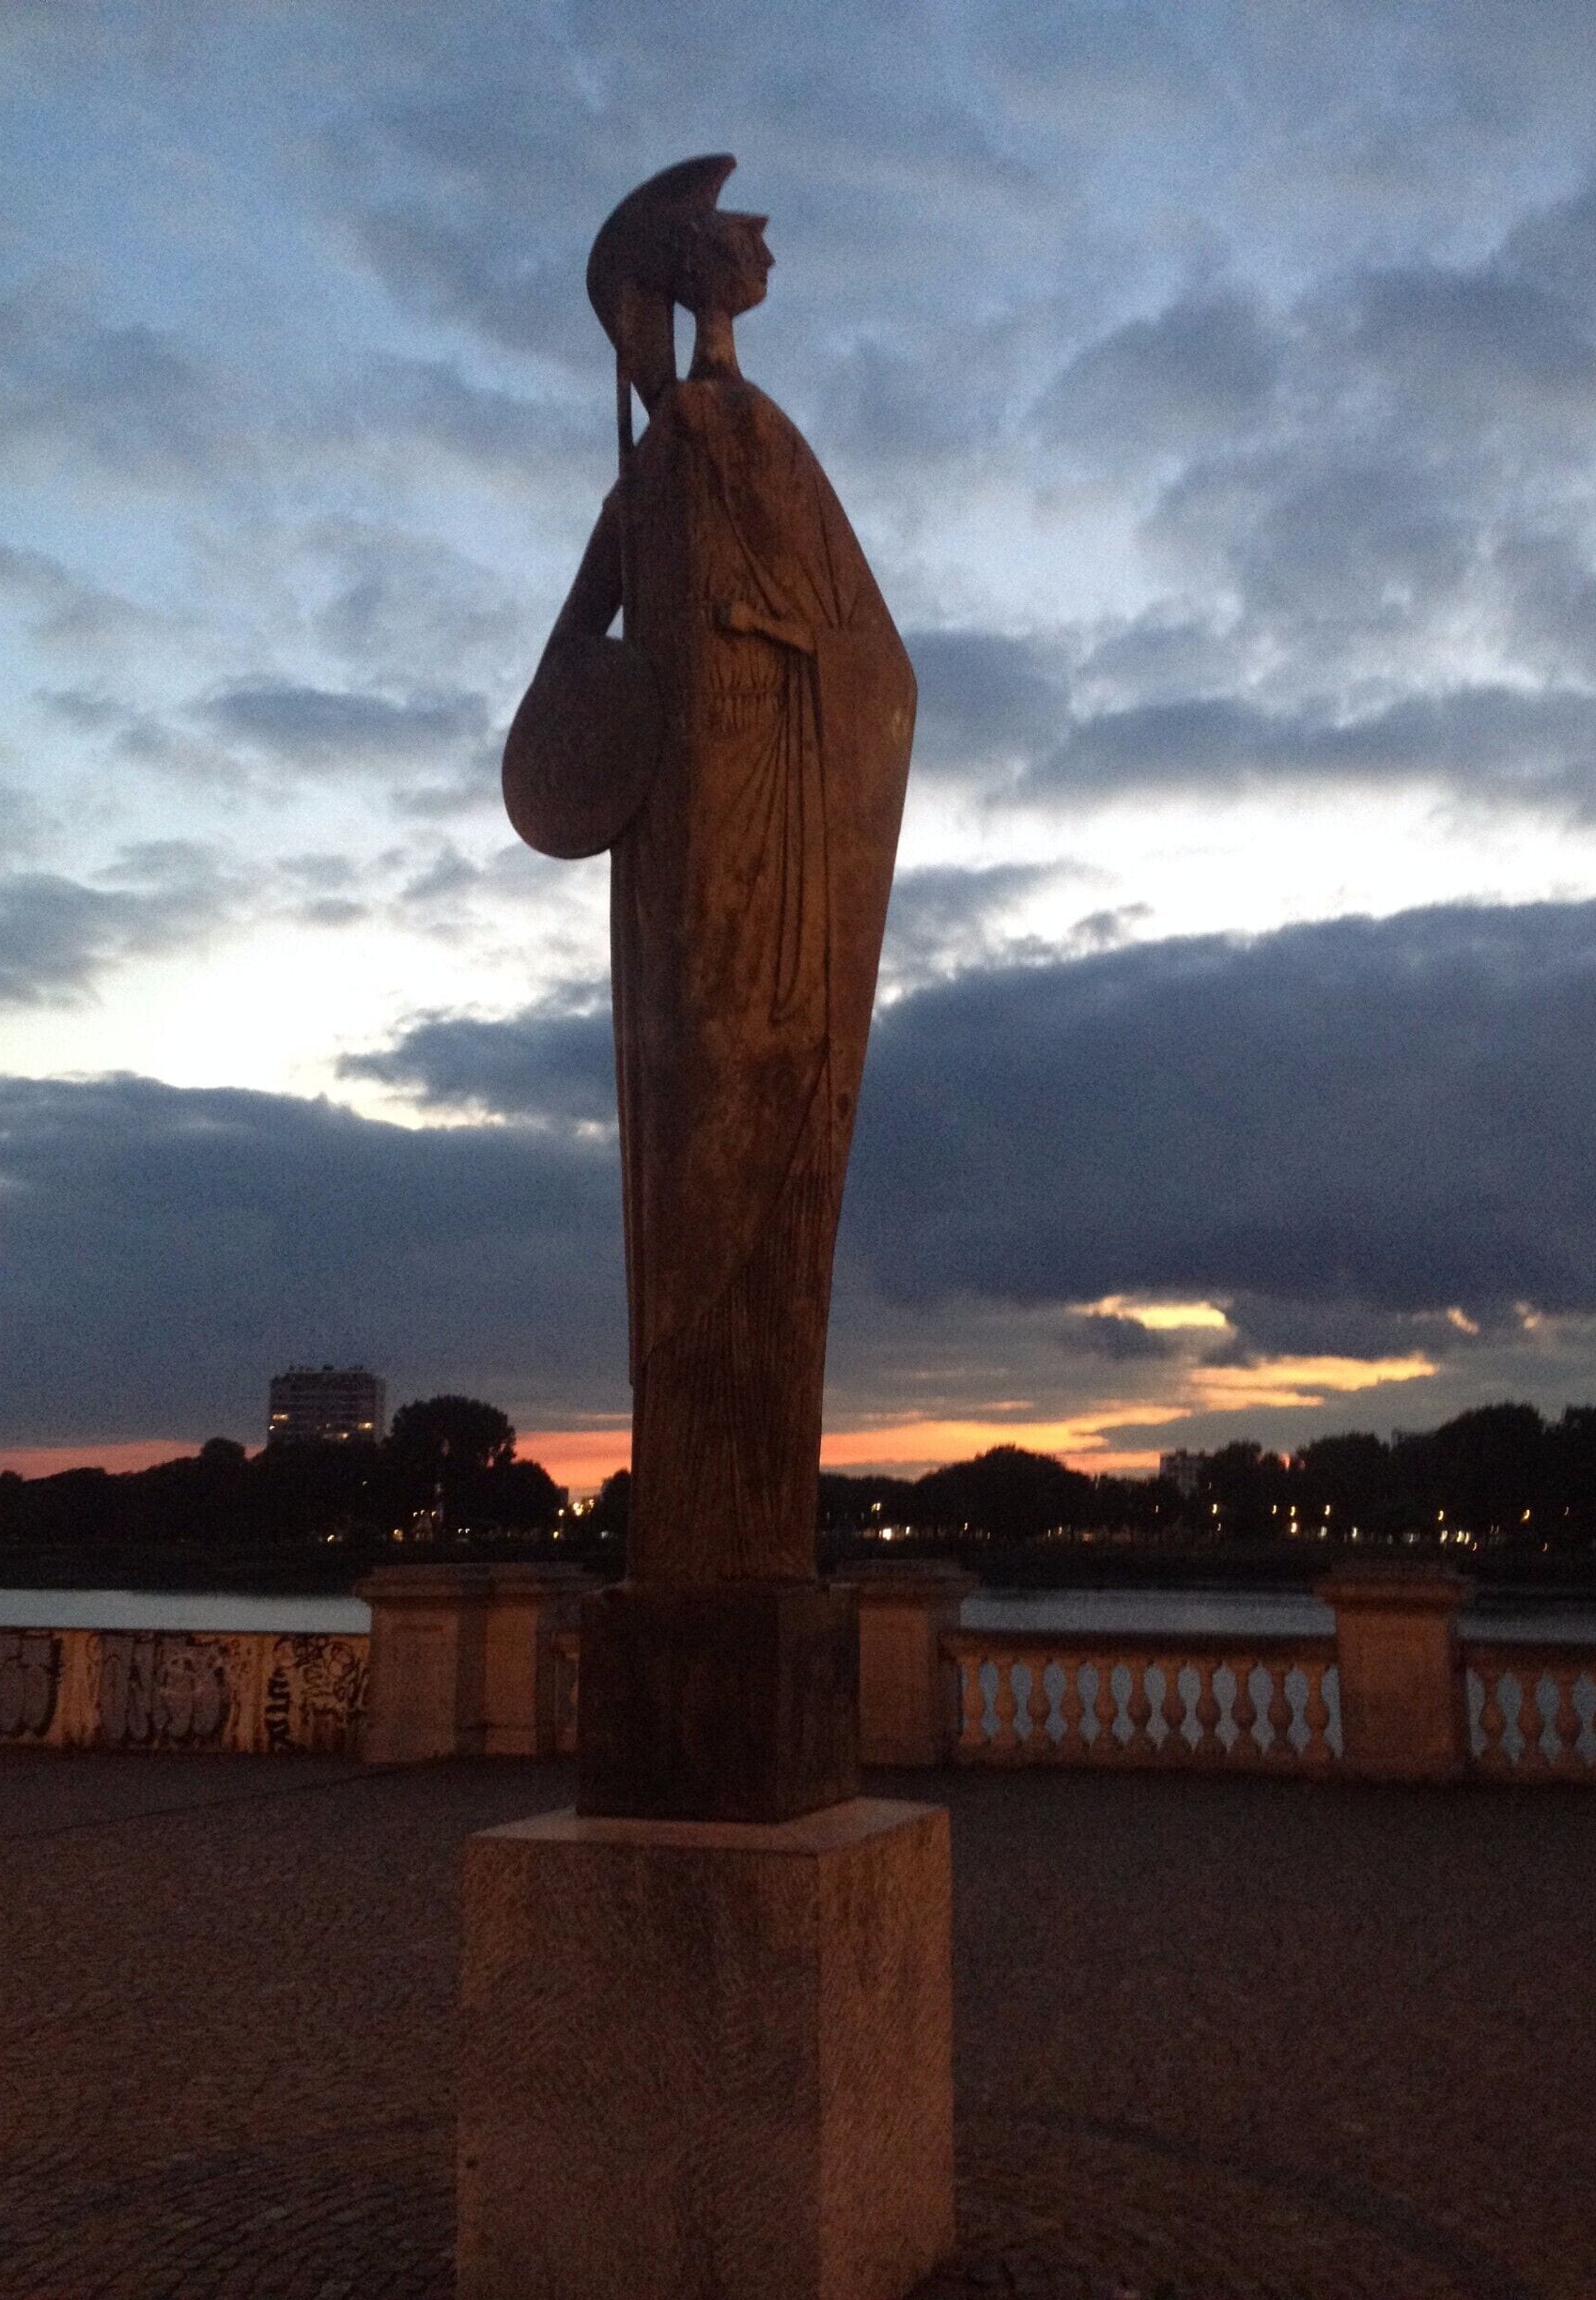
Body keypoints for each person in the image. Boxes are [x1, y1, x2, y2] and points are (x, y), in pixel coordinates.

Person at [504, 159, 914, 1688]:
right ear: (694, 274)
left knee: (752, 1121)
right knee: (703, 1129)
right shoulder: (681, 450)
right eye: (741, 237)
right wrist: (605, 713)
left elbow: (869, 652)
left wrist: (770, 634)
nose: (767, 243)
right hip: (692, 835)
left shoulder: (743, 438)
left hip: (770, 813)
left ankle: (742, 1511)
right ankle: (698, 1517)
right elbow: (570, 669)